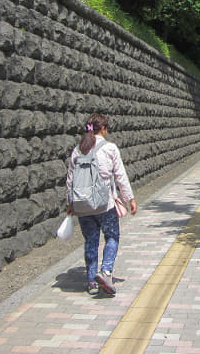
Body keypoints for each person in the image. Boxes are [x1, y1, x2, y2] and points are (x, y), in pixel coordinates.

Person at [66, 113, 138, 296]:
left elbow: (70, 180)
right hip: (104, 205)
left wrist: (70, 203)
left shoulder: (78, 149)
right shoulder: (110, 148)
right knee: (112, 236)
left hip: (82, 206)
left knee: (90, 241)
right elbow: (120, 176)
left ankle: (91, 281)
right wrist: (130, 198)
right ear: (103, 128)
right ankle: (106, 272)